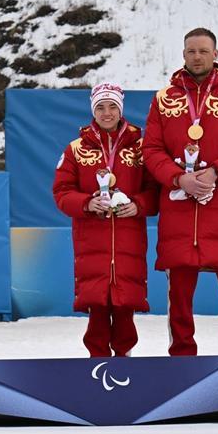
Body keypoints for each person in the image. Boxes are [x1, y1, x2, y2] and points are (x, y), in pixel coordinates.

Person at [142, 28, 218, 356]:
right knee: (179, 292)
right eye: (191, 51)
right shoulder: (163, 99)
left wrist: (216, 171)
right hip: (179, 209)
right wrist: (178, 178)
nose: (197, 56)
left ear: (215, 53)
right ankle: (181, 355)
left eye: (203, 51)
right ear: (183, 55)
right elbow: (151, 150)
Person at [53, 82, 159, 357]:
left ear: (121, 109)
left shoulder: (143, 147)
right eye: (100, 107)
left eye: (112, 106)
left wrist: (138, 206)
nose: (107, 112)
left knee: (125, 311)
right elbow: (62, 193)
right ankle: (96, 368)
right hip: (92, 245)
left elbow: (156, 191)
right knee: (97, 313)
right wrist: (88, 203)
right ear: (93, 110)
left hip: (129, 242)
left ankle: (125, 365)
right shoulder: (75, 149)